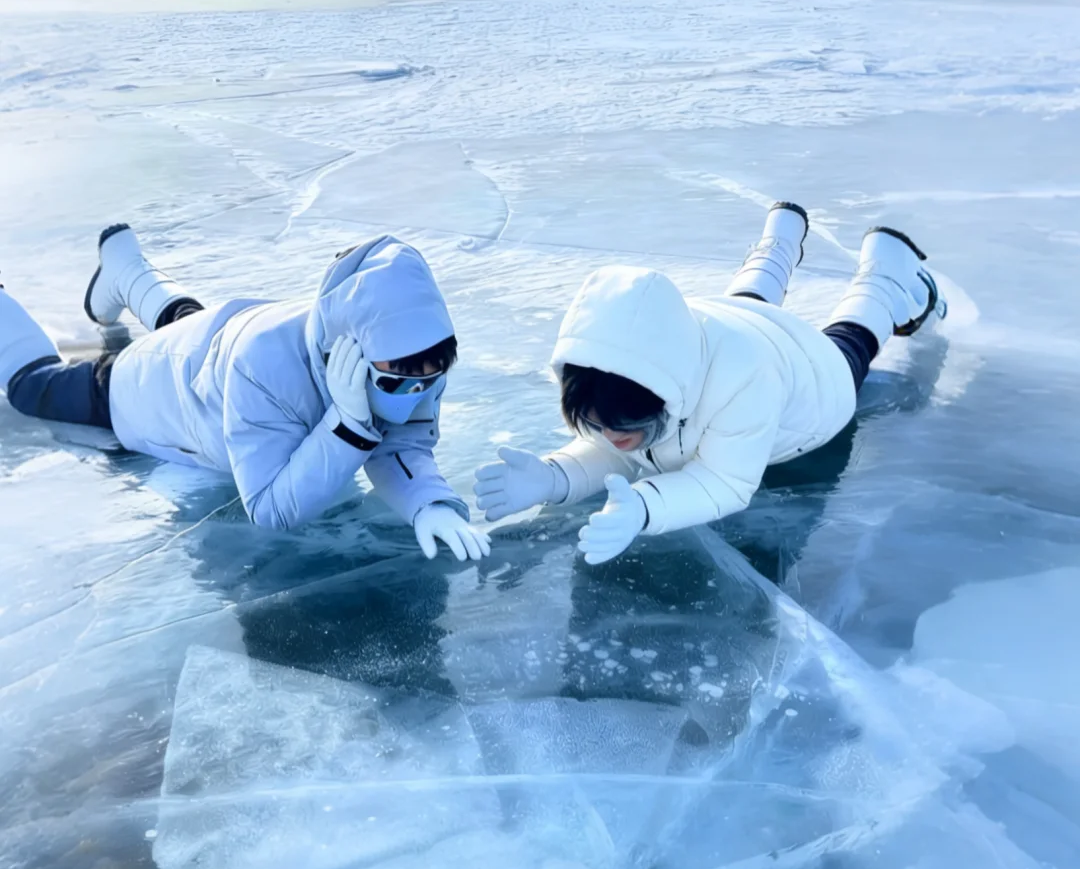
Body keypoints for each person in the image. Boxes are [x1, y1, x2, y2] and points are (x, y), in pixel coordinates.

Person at [474, 204, 946, 564]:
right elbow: (612, 451)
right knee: (748, 294)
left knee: (852, 339)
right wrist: (552, 477)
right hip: (726, 322)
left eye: (631, 424)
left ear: (664, 396)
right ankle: (780, 235)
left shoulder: (745, 382)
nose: (615, 436)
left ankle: (888, 270)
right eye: (597, 423)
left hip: (814, 382)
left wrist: (643, 507)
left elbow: (724, 481)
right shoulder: (619, 362)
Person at [0, 225, 489, 558]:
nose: (415, 391)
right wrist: (350, 427)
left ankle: (123, 269)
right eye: (396, 380)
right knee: (31, 387)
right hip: (147, 389)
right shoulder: (262, 370)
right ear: (350, 348)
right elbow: (270, 507)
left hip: (214, 341)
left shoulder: (411, 349)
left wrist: (429, 502)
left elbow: (403, 440)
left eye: (427, 380)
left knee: (185, 322)